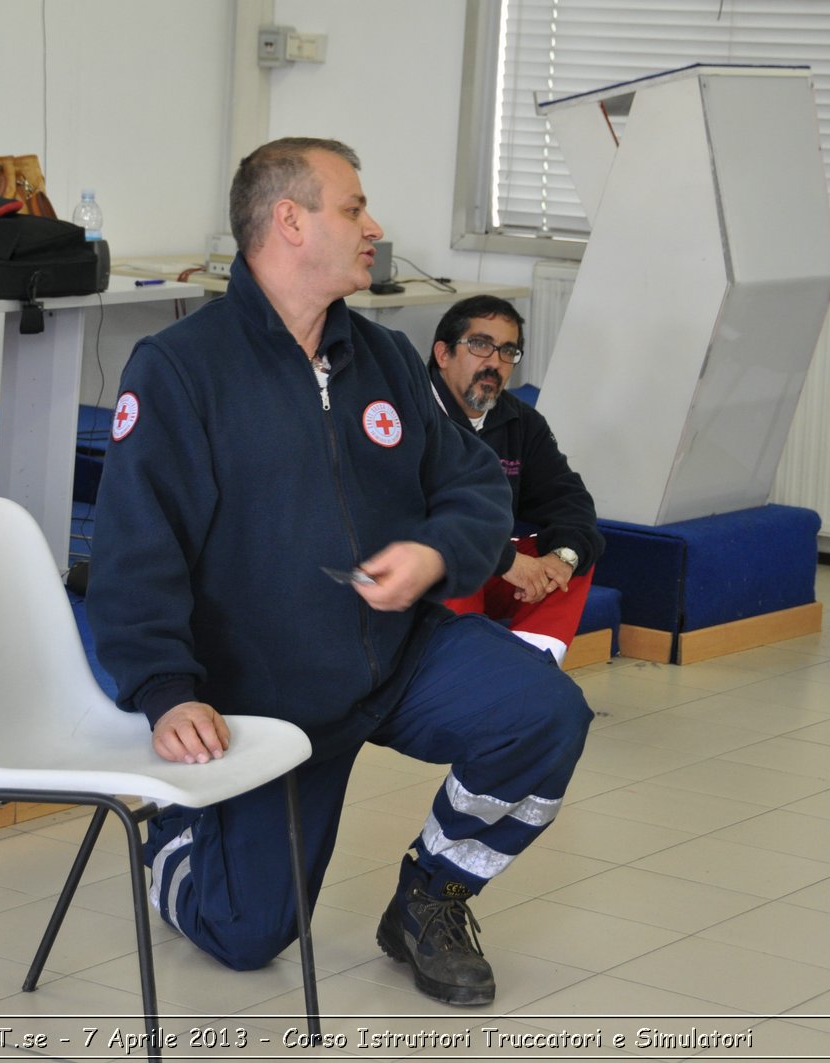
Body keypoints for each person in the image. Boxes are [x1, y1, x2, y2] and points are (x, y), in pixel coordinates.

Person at [88, 137, 592, 1008]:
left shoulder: (386, 356)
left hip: (398, 658)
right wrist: (167, 690)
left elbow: (472, 484)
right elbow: (137, 549)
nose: (375, 226)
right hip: (266, 689)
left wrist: (436, 551)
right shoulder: (179, 370)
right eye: (354, 208)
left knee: (543, 711)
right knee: (246, 938)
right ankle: (173, 828)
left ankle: (432, 897)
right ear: (289, 220)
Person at [429, 295, 604, 665]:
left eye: (508, 351)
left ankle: (529, 671)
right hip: (422, 568)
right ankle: (461, 676)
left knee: (570, 560)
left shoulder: (521, 422)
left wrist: (562, 558)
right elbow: (427, 515)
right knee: (453, 561)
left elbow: (570, 501)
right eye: (480, 345)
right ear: (443, 354)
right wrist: (503, 559)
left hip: (492, 565)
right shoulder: (409, 412)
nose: (494, 362)